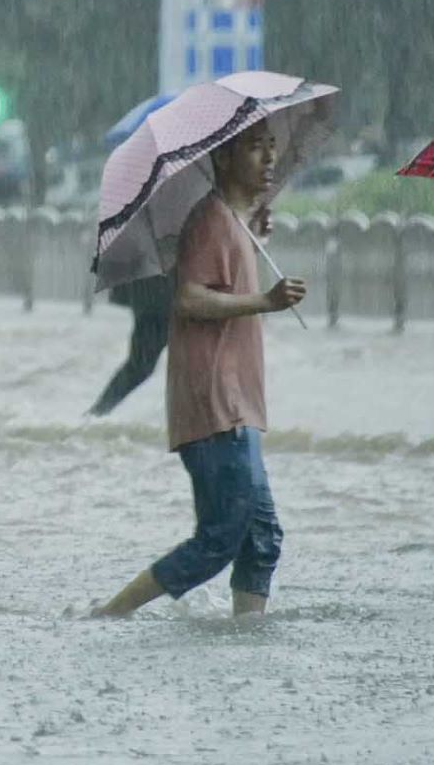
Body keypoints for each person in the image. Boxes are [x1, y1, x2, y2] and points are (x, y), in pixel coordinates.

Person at [93, 122, 306, 618]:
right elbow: (189, 298)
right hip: (216, 401)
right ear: (224, 161)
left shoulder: (233, 220)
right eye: (255, 148)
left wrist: (250, 237)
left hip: (239, 402)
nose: (268, 159)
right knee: (219, 538)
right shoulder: (209, 219)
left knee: (261, 539)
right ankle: (109, 615)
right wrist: (265, 301)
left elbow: (219, 277)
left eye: (271, 147)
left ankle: (247, 633)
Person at [89, 274, 173, 417]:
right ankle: (97, 413)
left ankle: (97, 413)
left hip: (161, 294)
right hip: (161, 296)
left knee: (140, 365)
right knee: (140, 365)